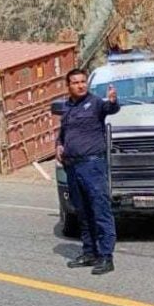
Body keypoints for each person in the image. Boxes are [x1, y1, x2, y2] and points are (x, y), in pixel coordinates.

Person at [56, 69, 121, 275]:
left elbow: (111, 108)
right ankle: (89, 252)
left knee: (99, 210)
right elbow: (63, 133)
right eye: (75, 82)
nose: (80, 85)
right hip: (73, 167)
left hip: (92, 166)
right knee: (82, 212)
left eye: (83, 82)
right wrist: (58, 145)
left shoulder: (96, 104)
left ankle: (106, 256)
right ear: (68, 86)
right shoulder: (66, 107)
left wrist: (113, 101)